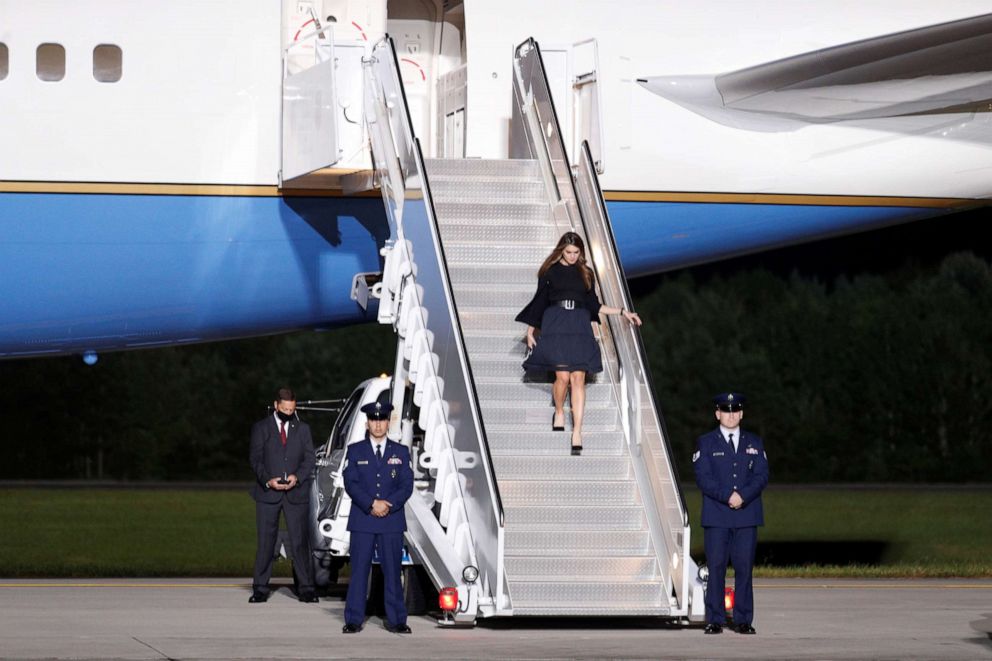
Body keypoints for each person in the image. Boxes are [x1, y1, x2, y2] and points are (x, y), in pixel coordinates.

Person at [515, 231, 641, 454]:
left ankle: (577, 431)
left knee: (578, 378)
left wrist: (622, 312)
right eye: (569, 252)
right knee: (562, 377)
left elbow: (594, 304)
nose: (573, 256)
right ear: (561, 250)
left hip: (579, 324)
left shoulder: (586, 273)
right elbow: (539, 301)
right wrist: (531, 329)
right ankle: (560, 411)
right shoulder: (549, 272)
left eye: (576, 252)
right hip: (556, 322)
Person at [692, 392, 770, 635]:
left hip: (747, 516)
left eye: (735, 411)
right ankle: (714, 619)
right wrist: (728, 496)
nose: (731, 415)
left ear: (741, 414)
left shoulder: (754, 442)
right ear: (717, 414)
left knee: (744, 569)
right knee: (716, 568)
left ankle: (743, 620)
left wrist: (742, 496)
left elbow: (762, 476)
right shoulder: (705, 443)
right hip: (717, 516)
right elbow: (703, 478)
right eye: (726, 411)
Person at [341, 400, 414, 634]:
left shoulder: (401, 451)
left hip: (390, 520)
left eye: (382, 419)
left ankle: (397, 620)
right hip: (363, 518)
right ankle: (353, 619)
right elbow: (350, 483)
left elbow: (406, 484)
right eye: (374, 419)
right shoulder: (355, 450)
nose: (378, 424)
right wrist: (372, 503)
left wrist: (388, 505)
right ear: (367, 422)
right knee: (359, 571)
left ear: (388, 422)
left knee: (393, 572)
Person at [248, 387, 317, 604]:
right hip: (268, 493)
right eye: (285, 409)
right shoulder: (261, 428)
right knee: (266, 543)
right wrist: (268, 480)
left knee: (299, 542)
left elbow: (309, 459)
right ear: (276, 405)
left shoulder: (303, 429)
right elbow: (255, 459)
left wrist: (298, 477)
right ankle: (260, 588)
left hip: (296, 493)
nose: (288, 413)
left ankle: (305, 588)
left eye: (292, 410)